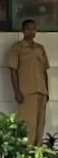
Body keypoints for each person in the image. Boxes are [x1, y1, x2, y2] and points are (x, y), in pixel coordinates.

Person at [9, 19, 50, 147]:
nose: (31, 31)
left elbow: (44, 71)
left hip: (41, 91)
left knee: (40, 123)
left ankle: (37, 152)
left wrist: (47, 91)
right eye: (28, 28)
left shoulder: (40, 48)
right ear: (23, 31)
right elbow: (13, 71)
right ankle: (26, 152)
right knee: (28, 123)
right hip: (26, 91)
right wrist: (17, 92)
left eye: (33, 28)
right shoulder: (17, 48)